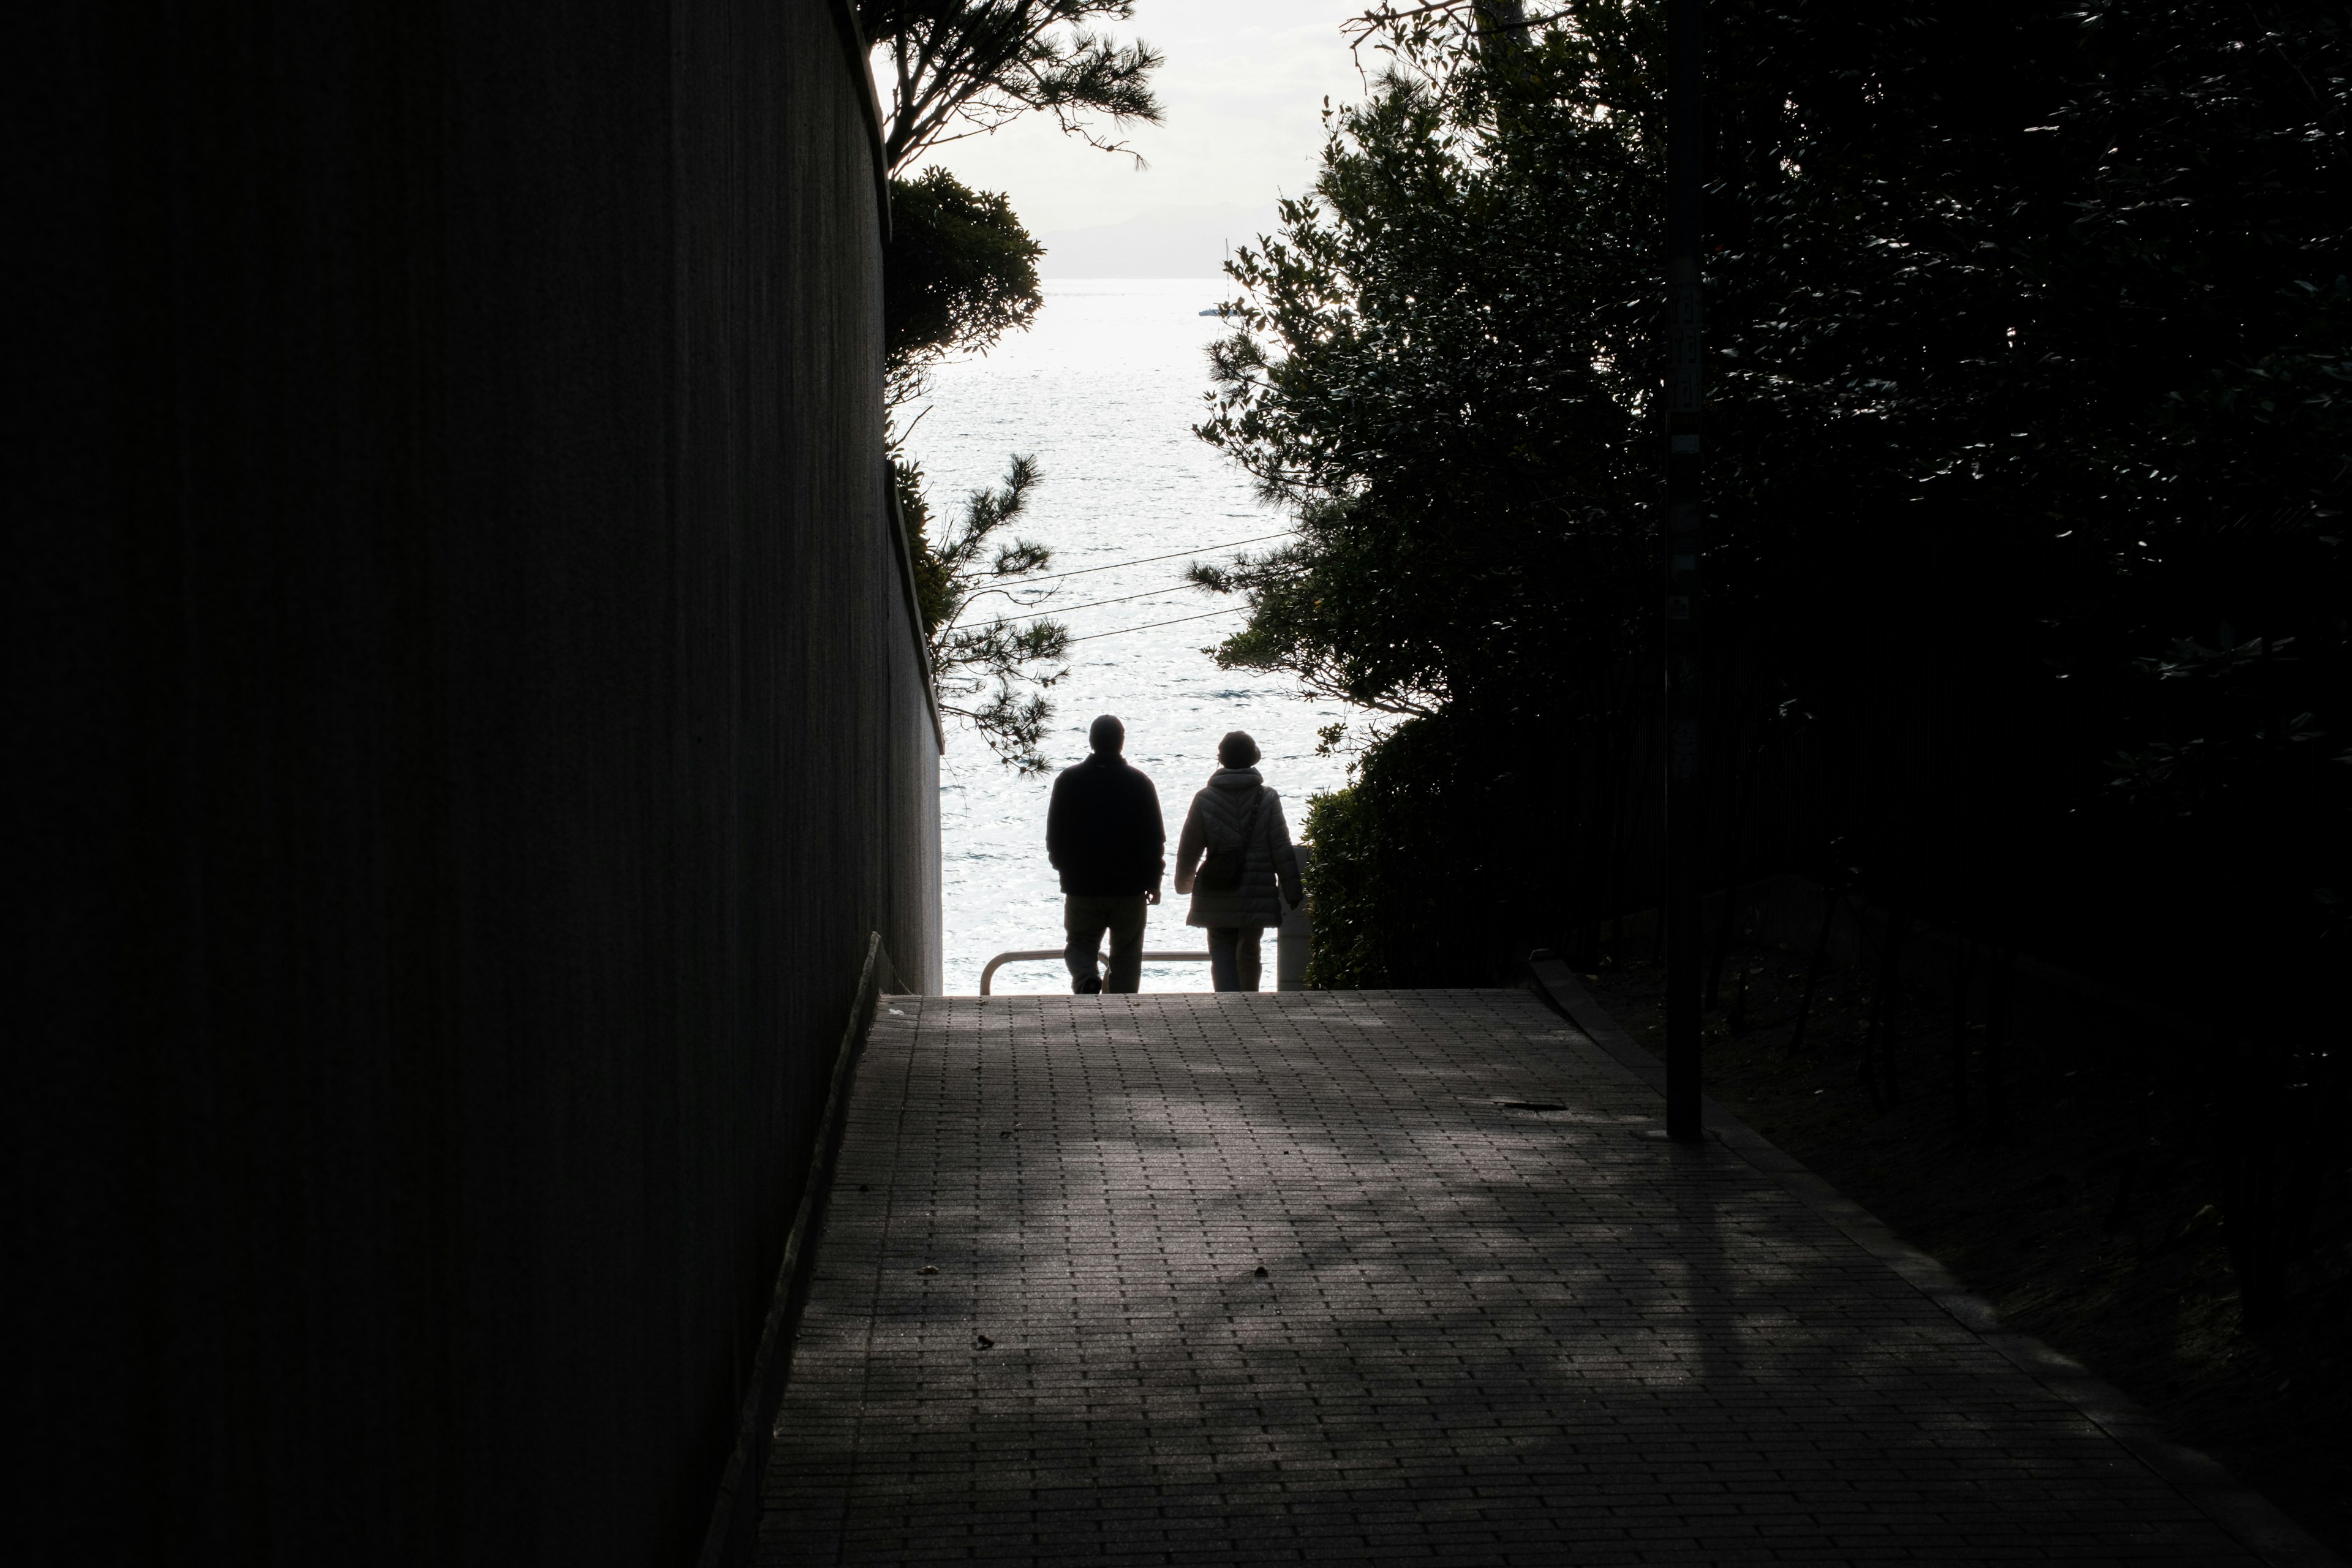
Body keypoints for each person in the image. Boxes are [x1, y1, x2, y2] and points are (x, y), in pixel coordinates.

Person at [1172, 730, 1303, 992]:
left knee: (1221, 949)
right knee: (1251, 950)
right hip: (1257, 887)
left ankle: (1227, 1005)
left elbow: (1190, 848)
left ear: (1221, 759)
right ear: (1254, 758)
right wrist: (1292, 889)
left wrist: (1184, 884)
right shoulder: (1268, 797)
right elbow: (1281, 847)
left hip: (1217, 887)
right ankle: (1250, 1004)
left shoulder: (1205, 798)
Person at [1045, 714, 1166, 994]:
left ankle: (1087, 978)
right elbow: (1153, 839)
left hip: (1082, 885)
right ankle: (1123, 1009)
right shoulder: (1140, 783)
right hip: (1130, 887)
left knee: (1079, 944)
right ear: (1122, 743)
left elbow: (1055, 835)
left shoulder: (1069, 780)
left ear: (1091, 741)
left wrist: (1063, 867)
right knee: (1127, 953)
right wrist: (1154, 880)